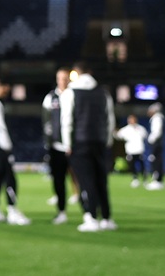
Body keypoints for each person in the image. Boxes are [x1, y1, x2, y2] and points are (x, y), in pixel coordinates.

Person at [60, 60, 116, 232]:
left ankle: (91, 217)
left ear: (76, 72)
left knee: (85, 180)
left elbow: (67, 121)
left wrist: (67, 144)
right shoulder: (103, 93)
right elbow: (110, 120)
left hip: (80, 142)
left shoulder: (71, 92)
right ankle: (106, 218)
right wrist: (107, 141)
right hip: (99, 141)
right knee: (101, 180)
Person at [0, 77, 32, 225]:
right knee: (10, 178)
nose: (6, 92)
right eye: (5, 88)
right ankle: (12, 210)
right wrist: (7, 147)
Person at [41, 66, 79, 224]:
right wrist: (48, 143)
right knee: (58, 180)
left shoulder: (76, 95)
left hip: (75, 146)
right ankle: (61, 211)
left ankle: (88, 213)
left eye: (65, 78)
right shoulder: (50, 98)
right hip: (56, 147)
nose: (62, 81)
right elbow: (46, 122)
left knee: (80, 177)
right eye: (60, 79)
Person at [114, 114, 148, 187]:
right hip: (130, 150)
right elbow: (118, 136)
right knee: (132, 166)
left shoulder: (140, 128)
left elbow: (145, 136)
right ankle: (135, 179)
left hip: (139, 150)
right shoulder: (125, 129)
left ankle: (145, 180)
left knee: (142, 166)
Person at [146, 102, 165, 190]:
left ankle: (156, 181)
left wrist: (151, 139)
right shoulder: (159, 118)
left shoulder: (156, 118)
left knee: (155, 161)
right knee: (158, 160)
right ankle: (159, 180)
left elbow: (156, 132)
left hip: (156, 143)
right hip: (159, 143)